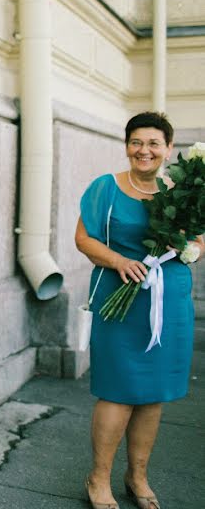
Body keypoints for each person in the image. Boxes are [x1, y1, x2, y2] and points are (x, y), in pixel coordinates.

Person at [76, 112, 202, 509]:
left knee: (153, 393)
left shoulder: (182, 191)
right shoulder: (106, 188)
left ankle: (138, 475)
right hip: (121, 299)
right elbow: (84, 238)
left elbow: (199, 239)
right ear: (127, 145)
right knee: (117, 391)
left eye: (153, 144)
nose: (144, 151)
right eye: (136, 142)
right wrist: (117, 261)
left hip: (170, 301)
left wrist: (190, 249)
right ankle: (98, 478)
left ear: (168, 148)